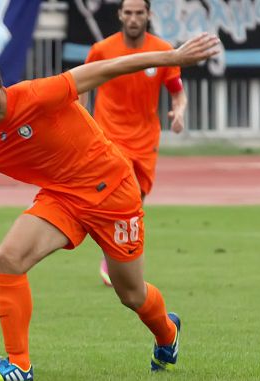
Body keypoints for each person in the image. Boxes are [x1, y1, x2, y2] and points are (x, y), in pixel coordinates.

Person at [0, 33, 220, 379]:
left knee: (131, 294)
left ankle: (167, 333)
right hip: (62, 197)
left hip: (112, 193)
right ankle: (19, 367)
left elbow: (107, 67)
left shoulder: (37, 94)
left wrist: (173, 58)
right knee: (8, 257)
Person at [78, 0, 188, 287]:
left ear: (148, 15)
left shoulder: (163, 51)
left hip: (145, 139)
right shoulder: (102, 50)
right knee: (119, 195)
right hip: (110, 135)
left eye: (140, 13)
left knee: (137, 201)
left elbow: (177, 92)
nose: (134, 18)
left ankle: (119, 255)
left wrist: (180, 111)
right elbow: (83, 86)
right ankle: (113, 256)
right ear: (120, 15)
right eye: (129, 12)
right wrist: (79, 120)